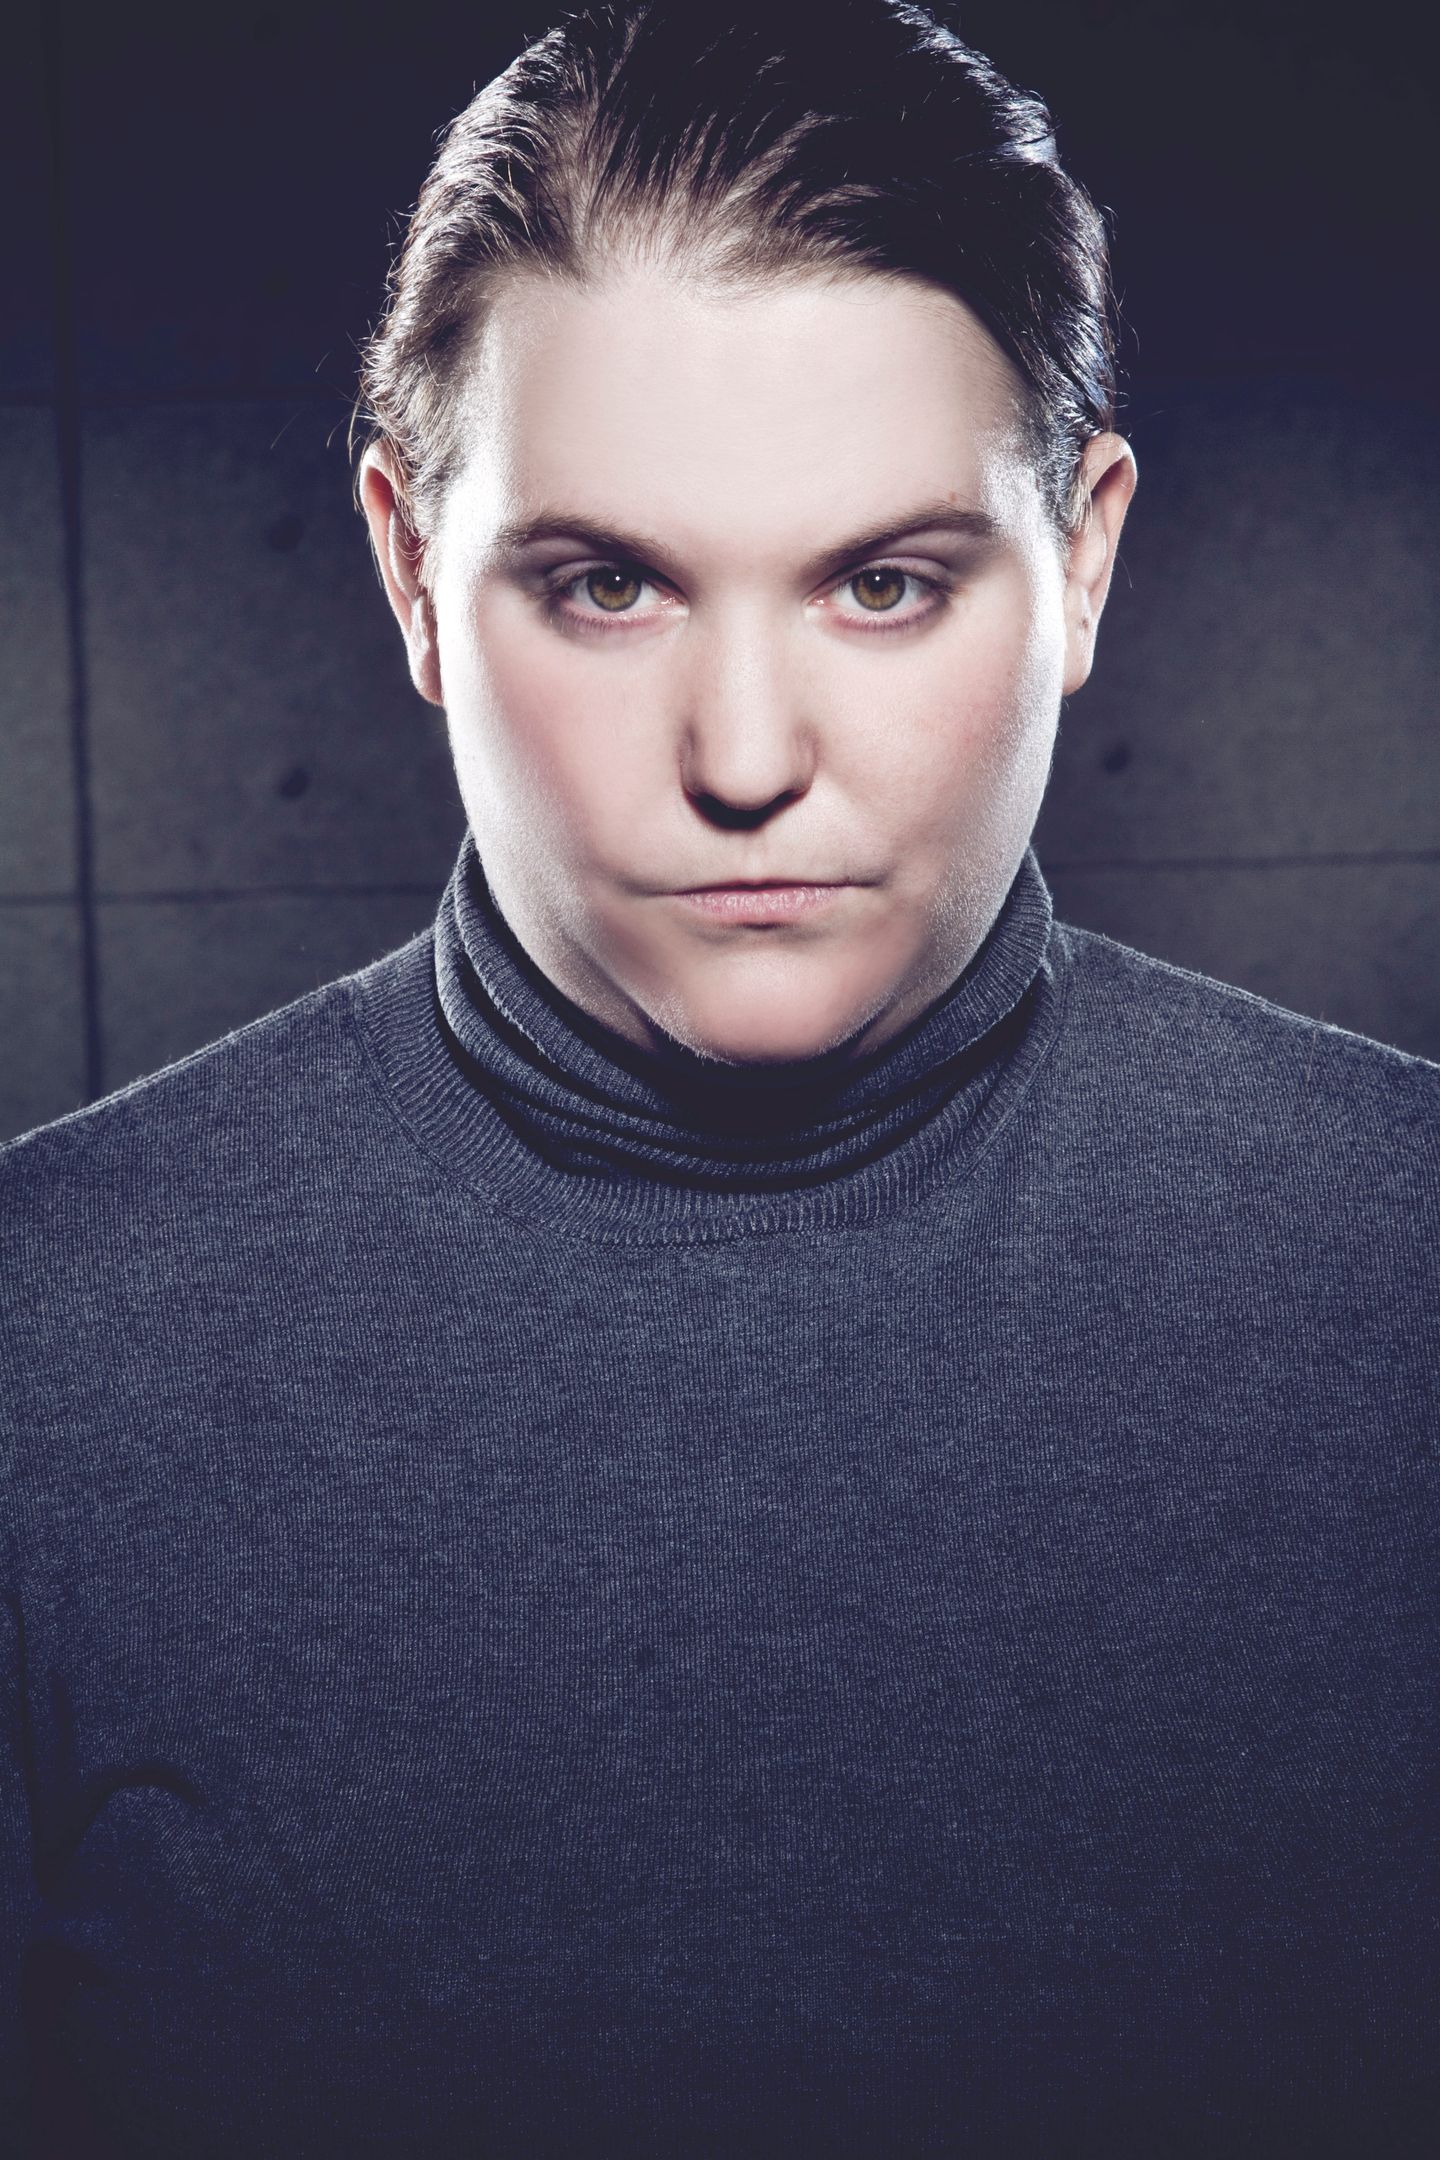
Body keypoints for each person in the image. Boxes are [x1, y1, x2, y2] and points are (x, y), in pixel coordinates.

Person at [2, 1, 1435, 2152]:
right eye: (607, 586)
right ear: (409, 571)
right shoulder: (40, 1355)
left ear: (1085, 563)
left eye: (884, 583)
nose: (747, 758)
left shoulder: (1407, 1280)